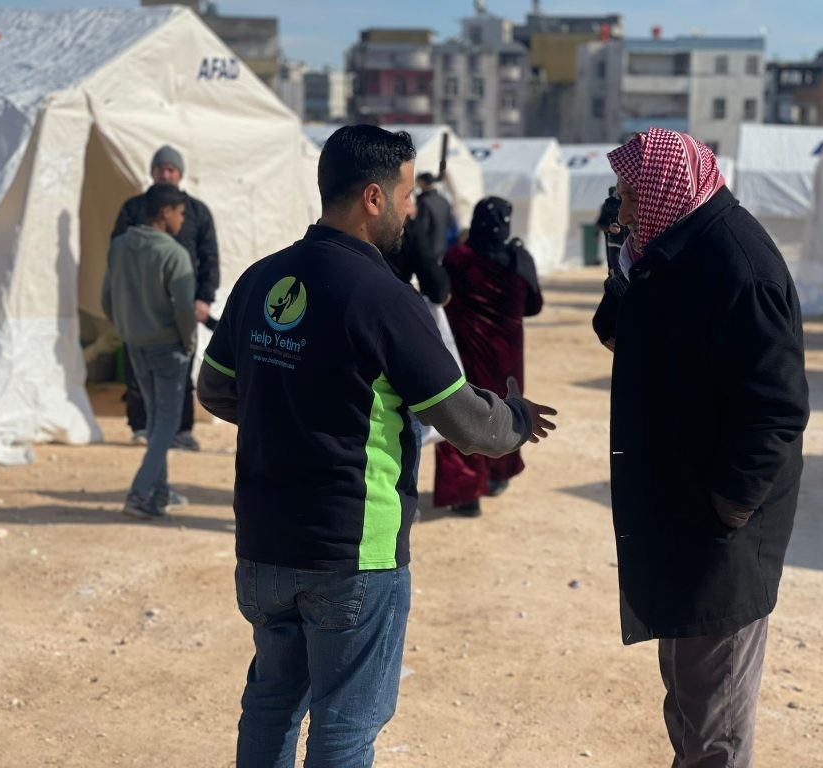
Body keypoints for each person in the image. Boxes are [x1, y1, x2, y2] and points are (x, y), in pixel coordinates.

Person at [196, 125, 556, 767]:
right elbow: (467, 423)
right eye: (407, 194)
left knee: (271, 704)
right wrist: (518, 418)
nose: (413, 208)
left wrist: (289, 409)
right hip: (353, 555)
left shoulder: (262, 278)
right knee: (344, 728)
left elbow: (216, 388)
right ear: (372, 197)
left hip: (264, 547)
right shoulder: (386, 299)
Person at [592, 127, 809, 768]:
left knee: (715, 723)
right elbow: (615, 333)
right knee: (689, 701)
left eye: (633, 195)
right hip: (680, 520)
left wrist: (725, 506)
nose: (625, 210)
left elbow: (776, 409)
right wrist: (621, 260)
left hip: (717, 536)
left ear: (666, 188)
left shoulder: (739, 264)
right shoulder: (667, 249)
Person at [433, 197, 543, 516]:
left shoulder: (457, 258)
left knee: (462, 415)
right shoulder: (519, 259)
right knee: (505, 412)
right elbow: (534, 306)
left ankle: (467, 494)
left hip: (465, 353)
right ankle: (496, 477)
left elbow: (439, 293)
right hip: (507, 355)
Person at [112, 145, 220, 452]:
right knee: (138, 369)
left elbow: (209, 257)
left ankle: (181, 429)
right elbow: (117, 256)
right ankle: (142, 425)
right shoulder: (133, 209)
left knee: (182, 366)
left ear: (180, 174)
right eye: (161, 169)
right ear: (152, 172)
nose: (166, 174)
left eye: (171, 169)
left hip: (183, 303)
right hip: (142, 303)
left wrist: (204, 298)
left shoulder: (197, 212)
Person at [102, 183, 197, 520]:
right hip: (168, 348)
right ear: (164, 213)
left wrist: (128, 328)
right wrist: (189, 344)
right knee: (167, 424)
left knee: (157, 419)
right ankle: (141, 494)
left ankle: (158, 493)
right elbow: (185, 310)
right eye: (181, 212)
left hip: (135, 345)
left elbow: (106, 299)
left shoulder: (120, 246)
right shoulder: (173, 254)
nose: (183, 220)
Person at [415, 171, 453, 262]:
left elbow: (422, 228)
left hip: (428, 250)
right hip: (443, 247)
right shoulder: (444, 200)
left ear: (422, 183)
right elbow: (449, 223)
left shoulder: (424, 201)